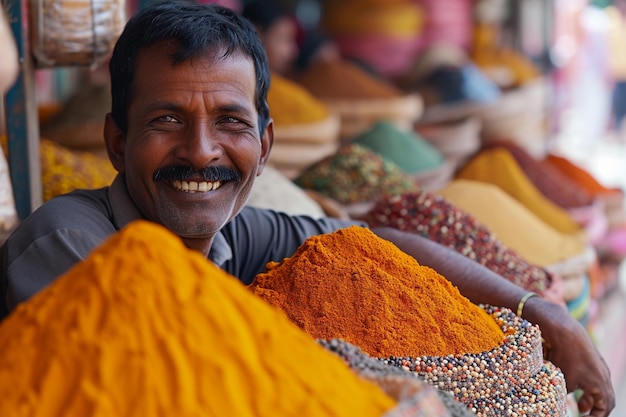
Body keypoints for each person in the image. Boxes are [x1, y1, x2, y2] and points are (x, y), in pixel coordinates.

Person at [0, 2, 614, 415]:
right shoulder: (71, 246)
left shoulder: (231, 236)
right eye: (166, 120)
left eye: (230, 122)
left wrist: (542, 311)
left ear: (264, 148)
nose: (201, 150)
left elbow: (368, 243)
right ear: (115, 141)